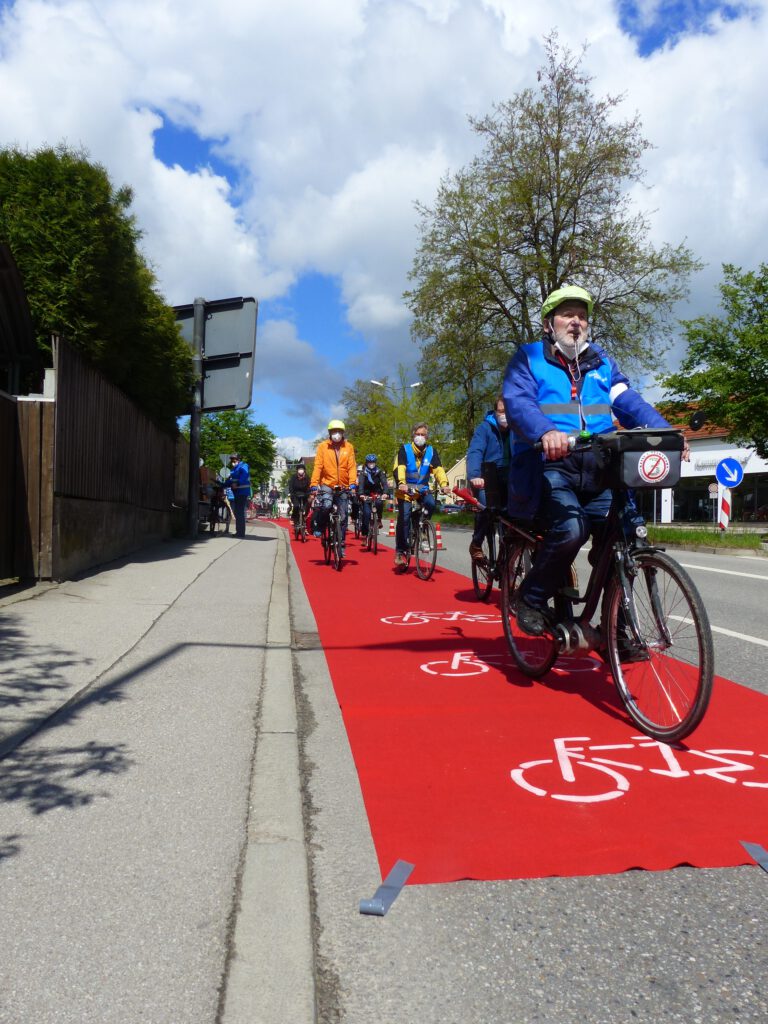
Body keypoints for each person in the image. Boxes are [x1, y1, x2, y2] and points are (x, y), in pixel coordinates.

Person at [502, 284, 685, 636]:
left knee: (626, 535)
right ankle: (531, 597)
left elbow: (629, 401)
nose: (576, 322)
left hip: (601, 467)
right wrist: (545, 433)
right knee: (571, 530)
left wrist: (667, 435)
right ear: (548, 324)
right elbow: (519, 402)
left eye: (582, 316)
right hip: (554, 464)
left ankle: (617, 629)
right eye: (568, 315)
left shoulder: (601, 362)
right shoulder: (529, 358)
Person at [393, 423, 450, 567]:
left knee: (430, 503)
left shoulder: (431, 451)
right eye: (417, 434)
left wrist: (444, 485)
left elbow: (438, 469)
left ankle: (423, 528)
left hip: (422, 489)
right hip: (405, 490)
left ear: (427, 436)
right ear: (413, 436)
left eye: (423, 434)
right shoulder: (404, 450)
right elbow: (400, 468)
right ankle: (400, 551)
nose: (420, 437)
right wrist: (401, 482)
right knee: (404, 518)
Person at [466, 397, 511, 562]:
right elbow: (475, 451)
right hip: (486, 479)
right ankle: (476, 543)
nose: (504, 415)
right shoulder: (484, 428)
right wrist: (475, 475)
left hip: (509, 478)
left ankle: (508, 554)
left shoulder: (517, 428)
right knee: (487, 508)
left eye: (508, 411)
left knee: (516, 516)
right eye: (501, 411)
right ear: (495, 412)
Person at [310, 419, 358, 555]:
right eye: (334, 431)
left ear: (343, 433)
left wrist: (353, 482)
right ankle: (320, 525)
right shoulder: (322, 447)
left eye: (339, 431)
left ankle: (341, 543)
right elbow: (318, 466)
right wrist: (314, 484)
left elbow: (352, 466)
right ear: (330, 433)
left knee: (343, 516)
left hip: (343, 485)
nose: (337, 434)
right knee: (326, 505)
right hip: (327, 484)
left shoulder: (348, 447)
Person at [358, 454, 391, 539]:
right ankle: (365, 535)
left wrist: (385, 493)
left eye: (373, 462)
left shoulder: (379, 472)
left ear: (375, 463)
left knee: (379, 503)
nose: (371, 464)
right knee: (366, 513)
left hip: (377, 493)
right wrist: (361, 494)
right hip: (366, 495)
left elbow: (384, 483)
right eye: (369, 462)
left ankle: (379, 519)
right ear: (367, 463)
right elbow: (361, 484)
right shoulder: (363, 473)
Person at [224, 453, 251, 538]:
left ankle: (240, 533)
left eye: (234, 459)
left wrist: (238, 483)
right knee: (237, 512)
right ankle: (239, 532)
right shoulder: (234, 469)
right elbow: (231, 480)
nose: (232, 461)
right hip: (237, 492)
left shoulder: (243, 466)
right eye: (231, 460)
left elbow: (244, 476)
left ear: (238, 459)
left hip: (242, 492)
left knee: (239, 512)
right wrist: (222, 484)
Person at [288, 463, 311, 531]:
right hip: (295, 494)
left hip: (304, 494)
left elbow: (309, 486)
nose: (301, 470)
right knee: (296, 506)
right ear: (297, 470)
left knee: (306, 506)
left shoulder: (307, 477)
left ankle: (303, 519)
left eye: (302, 469)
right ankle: (293, 518)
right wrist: (292, 493)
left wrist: (309, 493)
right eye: (299, 469)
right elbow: (291, 486)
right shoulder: (293, 477)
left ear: (304, 470)